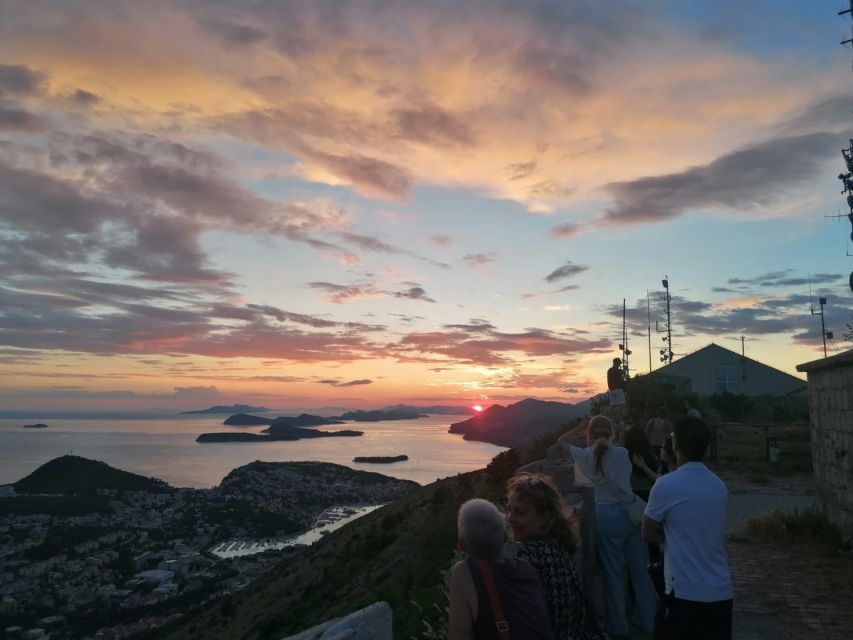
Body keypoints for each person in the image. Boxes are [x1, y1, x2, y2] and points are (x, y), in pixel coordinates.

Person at [642, 417, 733, 640]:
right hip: (720, 590)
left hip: (684, 592)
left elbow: (648, 533)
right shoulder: (718, 485)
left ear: (675, 445)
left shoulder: (665, 485)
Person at [570, 416, 656, 639]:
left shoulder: (587, 455)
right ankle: (647, 620)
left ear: (590, 434)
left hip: (606, 515)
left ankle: (619, 627)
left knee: (613, 573)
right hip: (631, 512)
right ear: (611, 433)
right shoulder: (622, 453)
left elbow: (561, 442)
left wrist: (578, 430)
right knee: (640, 570)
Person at [506, 474, 594, 640]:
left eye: (520, 512)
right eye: (509, 509)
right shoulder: (560, 547)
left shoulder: (527, 555)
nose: (510, 518)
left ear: (545, 516)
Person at [449, 499, 553, 640]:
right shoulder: (528, 570)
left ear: (461, 544)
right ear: (505, 537)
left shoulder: (463, 572)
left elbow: (459, 634)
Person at [607, 357, 627, 433]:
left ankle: (613, 421)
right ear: (618, 363)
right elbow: (623, 379)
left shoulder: (609, 370)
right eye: (619, 363)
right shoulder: (618, 371)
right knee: (622, 406)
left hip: (611, 390)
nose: (620, 365)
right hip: (618, 389)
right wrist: (624, 374)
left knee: (613, 406)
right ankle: (620, 422)